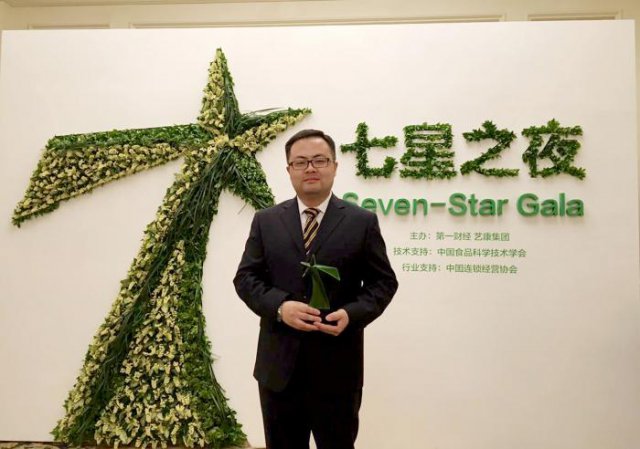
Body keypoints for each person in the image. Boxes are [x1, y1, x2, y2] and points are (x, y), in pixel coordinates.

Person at [233, 129, 398, 449]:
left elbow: (383, 282)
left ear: (335, 166)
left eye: (319, 160)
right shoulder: (266, 221)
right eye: (301, 162)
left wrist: (352, 314)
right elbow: (246, 278)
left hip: (338, 368)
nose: (310, 168)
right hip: (278, 369)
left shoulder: (361, 221)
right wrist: (280, 307)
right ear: (289, 170)